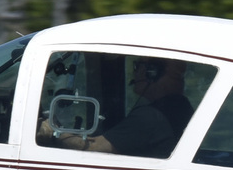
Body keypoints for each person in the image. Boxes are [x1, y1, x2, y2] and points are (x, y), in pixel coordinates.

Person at [41, 58, 193, 159]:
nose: (134, 72)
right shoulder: (181, 107)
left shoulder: (151, 117)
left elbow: (94, 148)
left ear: (153, 71)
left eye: (137, 66)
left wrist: (53, 131)